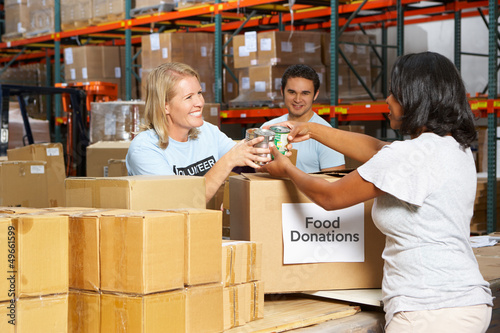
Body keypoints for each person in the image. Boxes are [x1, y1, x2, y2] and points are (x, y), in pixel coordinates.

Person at [260, 52, 493, 332]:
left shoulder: (410, 156)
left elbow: (330, 197)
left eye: (394, 93)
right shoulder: (453, 146)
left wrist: (287, 169)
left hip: (429, 309)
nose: (388, 100)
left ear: (415, 98)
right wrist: (311, 129)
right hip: (464, 301)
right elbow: (375, 149)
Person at [126, 62, 270, 203]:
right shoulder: (145, 149)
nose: (200, 102)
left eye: (199, 93)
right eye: (189, 97)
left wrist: (269, 143)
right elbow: (181, 204)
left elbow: (253, 168)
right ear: (165, 107)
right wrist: (229, 160)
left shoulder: (208, 132)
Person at [260, 64, 345, 173]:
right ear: (282, 91)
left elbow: (335, 183)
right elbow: (257, 175)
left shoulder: (328, 135)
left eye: (305, 93)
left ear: (315, 95)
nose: (298, 99)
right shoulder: (268, 129)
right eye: (292, 92)